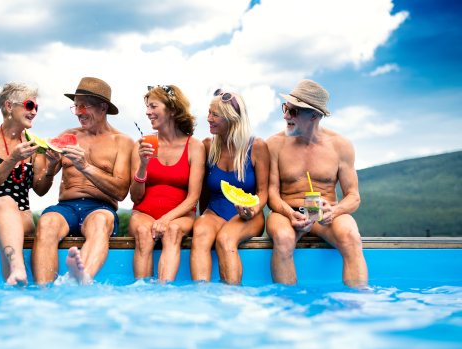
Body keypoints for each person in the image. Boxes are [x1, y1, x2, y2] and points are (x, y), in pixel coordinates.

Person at [266, 79, 368, 287]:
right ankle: (288, 304)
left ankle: (359, 306)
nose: (286, 116)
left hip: (326, 212)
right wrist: (289, 213)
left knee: (351, 237)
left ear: (314, 115)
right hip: (287, 212)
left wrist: (335, 211)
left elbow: (354, 196)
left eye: (294, 112)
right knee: (284, 238)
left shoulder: (340, 145)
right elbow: (272, 194)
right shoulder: (274, 144)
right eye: (286, 108)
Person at [31, 77, 133, 285]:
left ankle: (81, 280)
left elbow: (121, 191)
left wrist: (85, 167)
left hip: (100, 208)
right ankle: (43, 292)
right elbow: (40, 189)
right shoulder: (67, 135)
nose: (78, 112)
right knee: (46, 222)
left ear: (103, 107)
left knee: (100, 223)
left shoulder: (122, 142)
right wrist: (50, 168)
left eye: (84, 106)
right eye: (75, 106)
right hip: (66, 207)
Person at [0, 82, 60, 285]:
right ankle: (19, 268)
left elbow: (40, 190)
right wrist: (12, 159)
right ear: (9, 106)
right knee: (5, 203)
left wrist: (51, 169)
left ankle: (15, 283)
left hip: (21, 216)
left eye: (36, 107)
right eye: (28, 105)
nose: (33, 111)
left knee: (3, 228)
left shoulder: (35, 145)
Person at [190, 90, 270, 285]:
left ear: (232, 118)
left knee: (226, 239)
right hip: (215, 211)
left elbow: (262, 192)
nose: (208, 118)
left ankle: (232, 299)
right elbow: (204, 191)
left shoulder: (257, 146)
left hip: (249, 215)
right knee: (199, 232)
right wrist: (203, 216)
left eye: (215, 115)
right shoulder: (208, 145)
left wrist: (253, 210)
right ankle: (201, 297)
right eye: (209, 112)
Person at [129, 85, 205, 281]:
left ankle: (164, 293)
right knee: (144, 233)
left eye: (153, 106)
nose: (147, 112)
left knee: (173, 231)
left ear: (172, 110)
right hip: (143, 212)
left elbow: (193, 198)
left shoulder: (194, 147)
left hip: (180, 215)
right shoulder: (142, 145)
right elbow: (135, 197)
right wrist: (143, 166)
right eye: (147, 107)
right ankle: (143, 292)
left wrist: (165, 219)